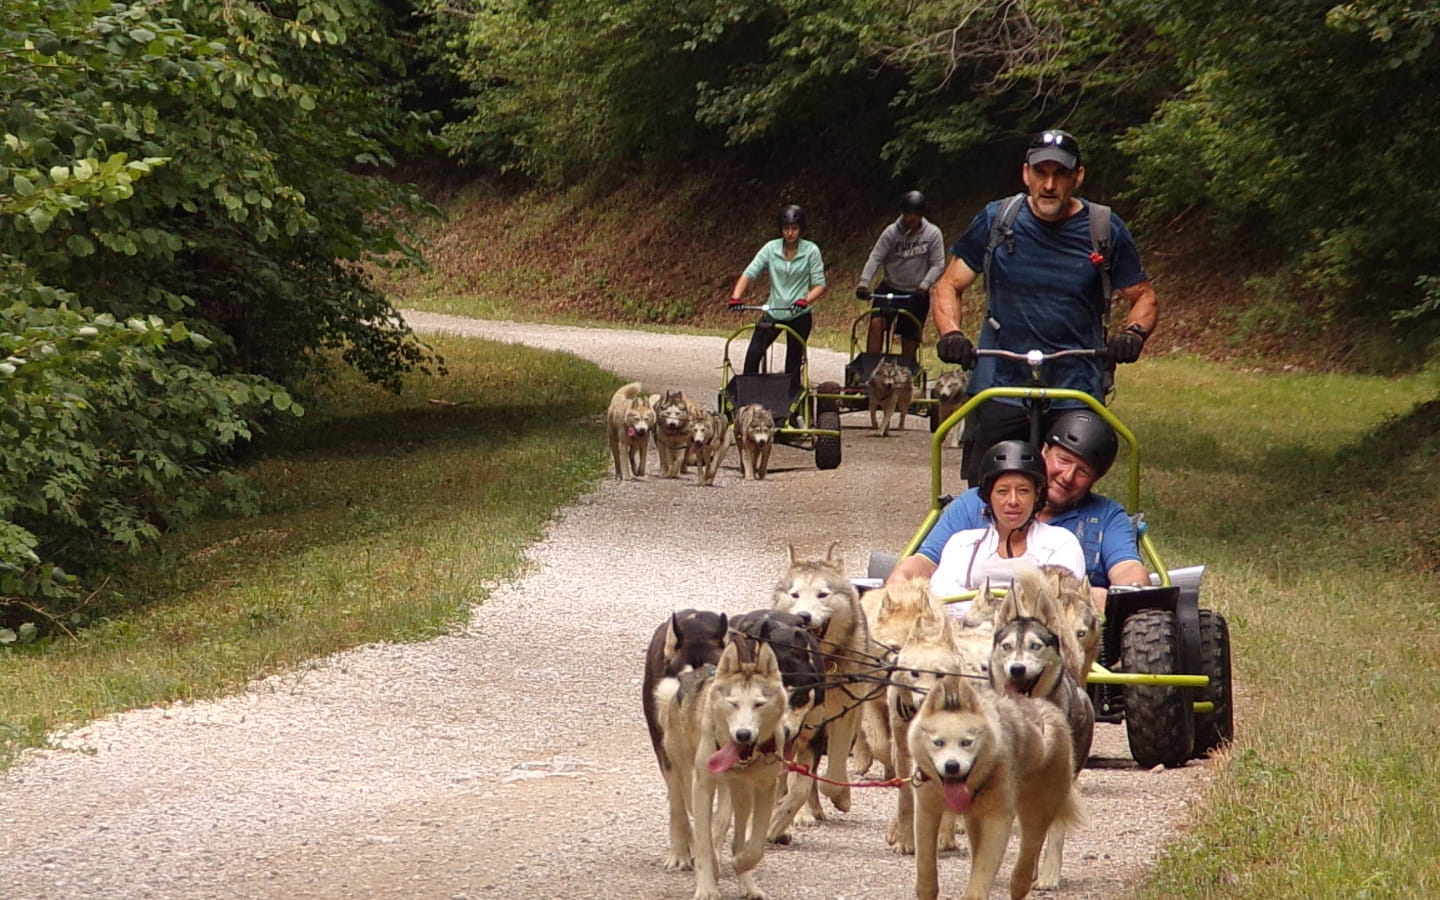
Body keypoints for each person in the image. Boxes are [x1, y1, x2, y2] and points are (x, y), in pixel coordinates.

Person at [929, 129, 1159, 484]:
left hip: (1075, 383)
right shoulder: (997, 219)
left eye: (1061, 174)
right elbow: (948, 284)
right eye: (1041, 173)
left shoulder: (1103, 228)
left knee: (1068, 489)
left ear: (1077, 177)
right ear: (1026, 174)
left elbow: (1143, 296)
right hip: (1001, 381)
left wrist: (1133, 334)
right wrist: (951, 334)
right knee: (990, 490)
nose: (1049, 184)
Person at [888, 410, 1149, 612]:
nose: (1067, 476)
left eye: (1082, 472)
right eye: (1063, 460)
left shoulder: (1101, 519)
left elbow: (1129, 572)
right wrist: (901, 579)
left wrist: (1118, 595)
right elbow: (925, 562)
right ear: (1044, 452)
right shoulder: (971, 509)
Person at [921, 440, 1085, 618]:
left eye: (1023, 491)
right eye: (1002, 491)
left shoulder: (1060, 543)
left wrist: (978, 600)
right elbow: (942, 597)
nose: (1013, 501)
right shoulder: (964, 543)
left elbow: (1059, 606)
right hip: (971, 638)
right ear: (988, 496)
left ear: (1037, 495)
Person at [728, 204, 827, 376]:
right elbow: (749, 273)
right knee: (753, 354)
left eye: (794, 229)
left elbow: (820, 284)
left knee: (793, 364)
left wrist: (805, 301)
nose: (790, 233)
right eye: (786, 228)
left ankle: (791, 399)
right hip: (774, 311)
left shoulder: (811, 250)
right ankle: (748, 394)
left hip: (799, 314)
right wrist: (736, 297)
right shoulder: (771, 248)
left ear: (801, 229)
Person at [855, 190, 946, 360]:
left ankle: (907, 371)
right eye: (908, 213)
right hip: (891, 286)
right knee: (876, 324)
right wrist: (864, 283)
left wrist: (924, 285)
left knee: (909, 336)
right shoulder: (891, 232)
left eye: (916, 214)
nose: (911, 218)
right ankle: (871, 367)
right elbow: (876, 257)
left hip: (916, 292)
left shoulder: (932, 234)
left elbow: (938, 263)